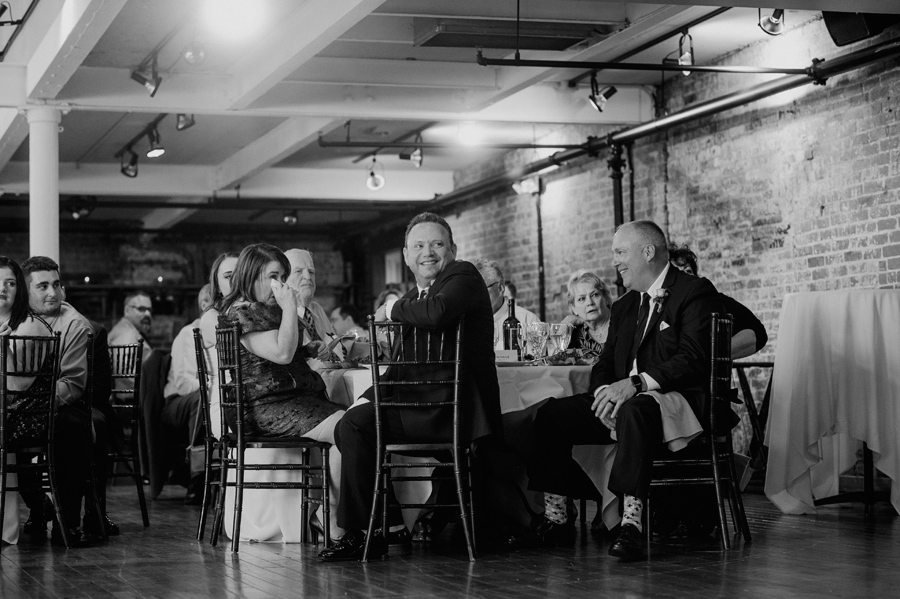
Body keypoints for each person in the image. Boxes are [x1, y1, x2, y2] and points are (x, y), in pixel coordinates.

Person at [526, 220, 723, 561]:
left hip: (671, 399)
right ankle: (558, 514)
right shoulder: (624, 306)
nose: (614, 261)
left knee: (635, 408)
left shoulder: (695, 291)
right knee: (549, 414)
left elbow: (692, 359)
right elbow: (605, 365)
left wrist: (634, 385)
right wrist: (605, 393)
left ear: (648, 252)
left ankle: (631, 523)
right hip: (623, 397)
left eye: (620, 252)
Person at [318, 212, 501, 562]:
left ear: (453, 249)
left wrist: (392, 307)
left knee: (355, 428)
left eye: (436, 244)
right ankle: (383, 526)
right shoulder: (416, 297)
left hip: (452, 412)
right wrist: (365, 399)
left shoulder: (462, 275)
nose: (427, 252)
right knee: (352, 422)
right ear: (405, 255)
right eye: (418, 245)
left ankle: (368, 533)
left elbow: (438, 312)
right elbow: (400, 371)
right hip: (419, 408)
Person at [218, 243, 345, 541]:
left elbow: (290, 347)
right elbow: (282, 353)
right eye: (273, 275)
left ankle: (330, 511)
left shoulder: (265, 308)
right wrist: (290, 307)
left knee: (357, 422)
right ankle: (332, 517)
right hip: (266, 409)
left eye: (282, 275)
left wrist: (308, 347)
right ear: (250, 276)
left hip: (293, 400)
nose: (280, 283)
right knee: (348, 428)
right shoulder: (240, 314)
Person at [19, 256, 102, 546]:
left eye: (56, 284)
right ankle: (38, 504)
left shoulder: (75, 325)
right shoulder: (15, 320)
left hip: (60, 406)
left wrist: (32, 405)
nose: (52, 293)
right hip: (18, 407)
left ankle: (68, 523)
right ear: (25, 291)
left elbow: (72, 384)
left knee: (71, 428)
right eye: (42, 286)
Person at [1, 256, 54, 545]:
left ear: (19, 289)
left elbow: (17, 386)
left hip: (28, 416)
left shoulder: (29, 326)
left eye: (10, 283)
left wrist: (3, 348)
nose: (2, 289)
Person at [668, 244, 768, 359]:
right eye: (678, 274)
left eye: (688, 272)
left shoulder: (713, 300)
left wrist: (712, 355)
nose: (685, 278)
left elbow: (758, 333)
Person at [161, 284, 213, 505]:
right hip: (176, 403)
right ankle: (198, 478)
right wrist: (213, 385)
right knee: (203, 399)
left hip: (206, 396)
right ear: (204, 305)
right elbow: (183, 384)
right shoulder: (189, 334)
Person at [199, 252, 239, 438]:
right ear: (217, 284)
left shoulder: (253, 311)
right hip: (227, 406)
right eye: (228, 276)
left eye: (240, 273)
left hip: (258, 400)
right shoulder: (211, 317)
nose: (235, 280)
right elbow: (243, 349)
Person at [472, 259, 538, 351]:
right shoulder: (469, 322)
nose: (477, 296)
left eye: (482, 289)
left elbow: (538, 361)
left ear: (500, 288)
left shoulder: (527, 320)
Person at [561, 271, 613, 354]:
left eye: (595, 295)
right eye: (581, 299)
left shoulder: (621, 322)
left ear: (606, 298)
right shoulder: (574, 333)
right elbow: (556, 359)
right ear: (573, 308)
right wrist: (567, 321)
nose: (589, 302)